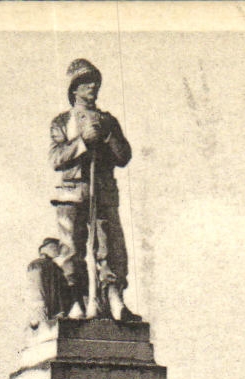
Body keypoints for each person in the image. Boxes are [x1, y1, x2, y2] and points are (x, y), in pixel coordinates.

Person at [50, 58, 140, 323]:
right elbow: (56, 158)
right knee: (71, 249)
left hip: (102, 193)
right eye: (86, 82)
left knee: (110, 247)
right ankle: (75, 301)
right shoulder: (62, 122)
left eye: (95, 82)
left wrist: (108, 137)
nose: (93, 87)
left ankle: (115, 300)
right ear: (74, 89)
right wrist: (82, 142)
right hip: (72, 193)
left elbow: (124, 157)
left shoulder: (108, 120)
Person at [26, 238, 71, 327]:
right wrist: (40, 311)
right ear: (46, 249)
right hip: (43, 311)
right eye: (55, 248)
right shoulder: (37, 264)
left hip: (54, 313)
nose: (58, 251)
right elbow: (36, 291)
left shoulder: (55, 267)